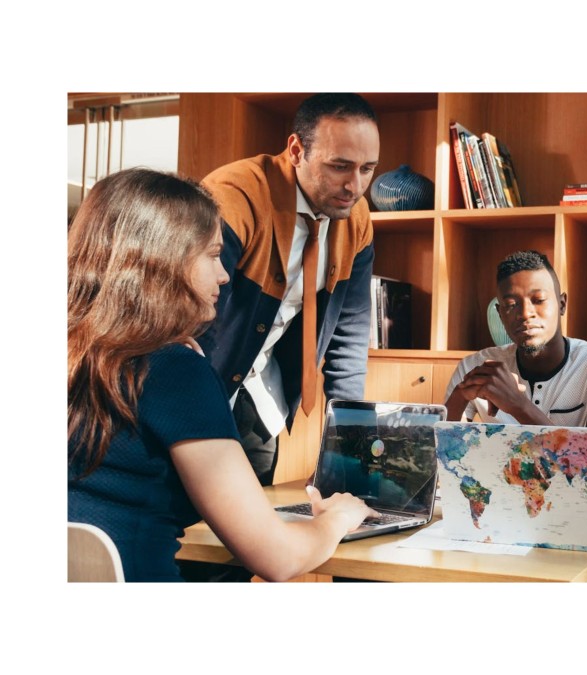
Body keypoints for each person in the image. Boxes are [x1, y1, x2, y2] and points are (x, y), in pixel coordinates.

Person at [68, 168, 377, 582]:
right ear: (164, 260)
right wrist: (337, 519)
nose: (225, 274)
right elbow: (277, 558)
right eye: (213, 255)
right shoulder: (172, 370)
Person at [199, 93, 379, 487]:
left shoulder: (357, 219)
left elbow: (348, 337)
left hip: (262, 400)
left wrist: (348, 443)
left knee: (251, 534)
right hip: (201, 387)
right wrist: (191, 416)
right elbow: (193, 317)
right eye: (339, 166)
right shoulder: (235, 195)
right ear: (296, 150)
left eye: (367, 169)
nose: (355, 186)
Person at [444, 250, 587, 441]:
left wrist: (517, 405)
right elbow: (440, 453)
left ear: (562, 304)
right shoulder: (476, 368)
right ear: (500, 314)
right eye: (511, 305)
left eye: (538, 300)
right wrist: (460, 395)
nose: (525, 313)